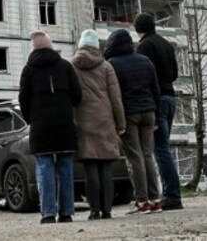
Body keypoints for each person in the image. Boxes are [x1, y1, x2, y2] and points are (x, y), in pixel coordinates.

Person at [19, 30, 82, 224]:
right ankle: (66, 212)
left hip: (40, 124)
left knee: (44, 166)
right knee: (65, 166)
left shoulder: (28, 69)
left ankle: (47, 213)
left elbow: (23, 99)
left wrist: (31, 119)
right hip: (64, 122)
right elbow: (77, 94)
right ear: (50, 46)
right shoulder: (65, 66)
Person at [104, 29, 162, 215]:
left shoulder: (112, 64)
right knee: (147, 155)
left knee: (134, 157)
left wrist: (116, 121)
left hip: (129, 114)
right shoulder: (145, 61)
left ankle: (142, 201)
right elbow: (156, 90)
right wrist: (157, 116)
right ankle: (155, 200)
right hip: (149, 112)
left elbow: (114, 95)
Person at [72, 29, 126, 220]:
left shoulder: (73, 65)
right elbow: (116, 98)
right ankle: (107, 210)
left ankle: (94, 210)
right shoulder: (106, 67)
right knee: (106, 168)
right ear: (97, 46)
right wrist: (120, 123)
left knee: (90, 167)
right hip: (104, 120)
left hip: (83, 120)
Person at [135, 13, 184, 211]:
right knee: (164, 147)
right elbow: (174, 74)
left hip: (157, 101)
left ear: (138, 30)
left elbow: (145, 75)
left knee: (160, 149)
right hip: (171, 98)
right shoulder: (165, 44)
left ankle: (172, 195)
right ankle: (172, 193)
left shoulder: (145, 47)